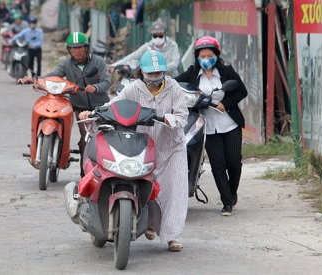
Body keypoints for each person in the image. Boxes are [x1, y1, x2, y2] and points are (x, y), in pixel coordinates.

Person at [79, 50, 188, 251]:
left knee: (173, 191)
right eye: (151, 74)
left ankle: (173, 236)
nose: (155, 78)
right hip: (145, 145)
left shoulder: (173, 88)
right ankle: (149, 224)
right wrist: (93, 113)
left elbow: (182, 116)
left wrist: (166, 119)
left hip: (172, 147)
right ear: (141, 72)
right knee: (147, 185)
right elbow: (113, 105)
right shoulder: (134, 89)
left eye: (158, 74)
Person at [18, 32, 111, 178]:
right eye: (73, 48)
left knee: (105, 137)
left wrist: (96, 87)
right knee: (86, 138)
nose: (77, 51)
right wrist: (33, 80)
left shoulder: (98, 62)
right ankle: (85, 174)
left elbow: (107, 81)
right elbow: (53, 75)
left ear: (86, 48)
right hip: (80, 107)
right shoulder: (66, 64)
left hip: (101, 107)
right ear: (69, 50)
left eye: (80, 47)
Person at [175, 36, 248, 216]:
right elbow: (174, 84)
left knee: (234, 163)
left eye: (210, 55)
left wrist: (227, 103)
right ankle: (227, 201)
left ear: (217, 55)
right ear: (197, 57)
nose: (206, 59)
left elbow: (241, 90)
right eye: (202, 56)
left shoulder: (227, 72)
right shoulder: (192, 73)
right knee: (217, 164)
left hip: (229, 123)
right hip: (208, 125)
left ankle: (232, 193)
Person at [108, 20, 180, 78]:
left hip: (171, 79)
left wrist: (157, 68)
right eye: (155, 36)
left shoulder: (173, 45)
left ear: (165, 34)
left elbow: (175, 63)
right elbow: (133, 56)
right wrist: (115, 65)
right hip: (152, 81)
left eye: (160, 36)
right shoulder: (147, 47)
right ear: (151, 35)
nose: (157, 38)